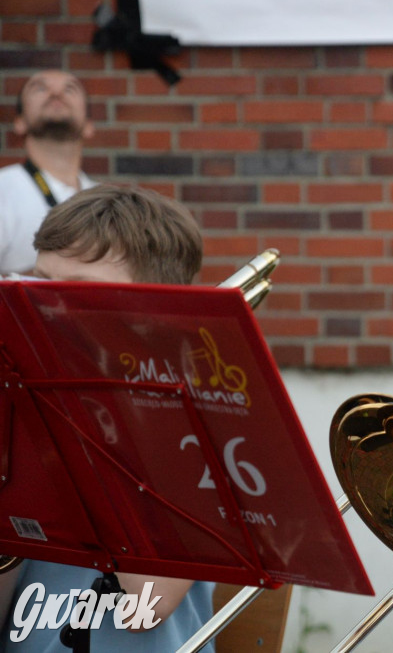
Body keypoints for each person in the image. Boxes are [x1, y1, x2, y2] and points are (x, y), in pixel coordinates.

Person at [0, 185, 212, 652]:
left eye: (73, 297)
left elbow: (146, 607)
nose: (41, 313)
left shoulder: (192, 433)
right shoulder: (22, 409)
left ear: (149, 316)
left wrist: (75, 417)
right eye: (38, 285)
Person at [0, 70, 96, 276]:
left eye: (69, 89)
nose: (56, 94)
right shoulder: (3, 189)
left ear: (89, 126)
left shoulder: (103, 200)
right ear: (19, 122)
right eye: (40, 88)